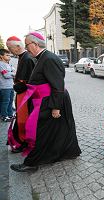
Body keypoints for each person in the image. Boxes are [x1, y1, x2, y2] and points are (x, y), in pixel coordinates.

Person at [10, 32, 81, 172]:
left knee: (40, 131)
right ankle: (69, 151)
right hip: (47, 99)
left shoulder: (48, 58)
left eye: (27, 44)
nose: (26, 47)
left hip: (52, 101)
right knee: (61, 129)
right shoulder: (41, 57)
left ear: (35, 44)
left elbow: (58, 84)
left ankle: (31, 163)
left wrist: (56, 107)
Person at [6, 36, 36, 153]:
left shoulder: (27, 58)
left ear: (18, 46)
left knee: (23, 119)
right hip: (22, 94)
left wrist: (17, 86)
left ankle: (23, 142)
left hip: (26, 95)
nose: (9, 50)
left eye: (10, 47)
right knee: (20, 118)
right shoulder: (23, 57)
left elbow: (29, 80)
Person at [0, 49, 15, 122]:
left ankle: (10, 115)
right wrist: (13, 73)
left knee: (10, 101)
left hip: (10, 86)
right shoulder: (1, 64)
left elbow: (12, 72)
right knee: (5, 102)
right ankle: (4, 116)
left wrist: (11, 73)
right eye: (7, 55)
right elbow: (6, 75)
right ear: (1, 56)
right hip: (4, 87)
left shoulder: (8, 64)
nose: (9, 57)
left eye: (9, 55)